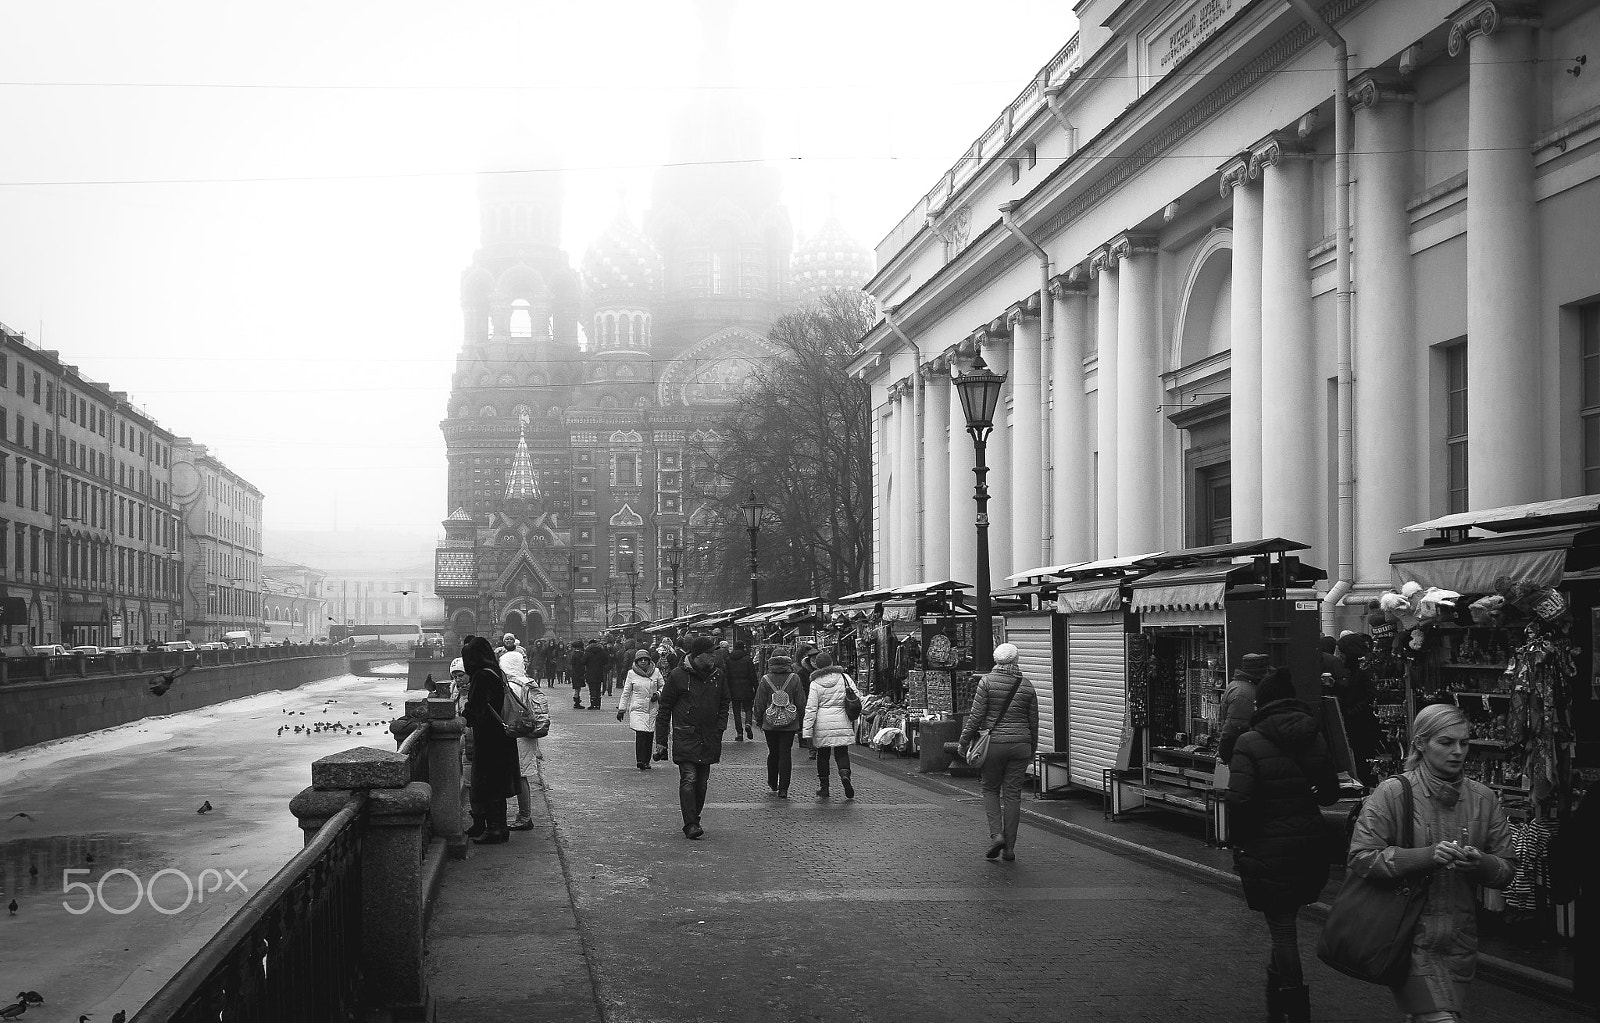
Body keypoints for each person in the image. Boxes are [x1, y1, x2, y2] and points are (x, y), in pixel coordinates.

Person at [1348, 703, 1517, 1023]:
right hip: (1408, 939)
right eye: (1446, 742)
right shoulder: (1393, 792)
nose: (1457, 751)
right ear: (1421, 744)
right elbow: (1361, 857)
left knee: (1431, 1016)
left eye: (1464, 743)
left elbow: (1507, 869)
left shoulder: (1483, 798)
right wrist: (1425, 857)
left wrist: (1479, 863)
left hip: (1459, 942)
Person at [1225, 667, 1342, 1023]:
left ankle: (1294, 1008)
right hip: (1308, 844)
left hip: (1266, 846)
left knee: (1283, 930)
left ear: (1262, 702)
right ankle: (1277, 1006)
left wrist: (1242, 842)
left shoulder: (1250, 741)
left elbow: (1239, 801)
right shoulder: (1314, 735)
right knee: (1286, 919)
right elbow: (1331, 794)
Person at [958, 643, 1038, 861]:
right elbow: (1034, 722)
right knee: (1013, 795)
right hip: (1021, 744)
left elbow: (976, 717)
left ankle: (997, 835)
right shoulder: (1027, 685)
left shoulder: (987, 682)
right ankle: (1010, 848)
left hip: (993, 745)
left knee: (991, 790)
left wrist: (963, 742)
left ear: (996, 661)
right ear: (1016, 660)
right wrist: (1032, 748)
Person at [653, 636, 729, 839]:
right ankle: (691, 823)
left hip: (709, 736)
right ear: (697, 655)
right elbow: (665, 709)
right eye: (709, 653)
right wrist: (661, 741)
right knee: (689, 778)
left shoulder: (718, 675)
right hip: (686, 735)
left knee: (702, 783)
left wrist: (720, 728)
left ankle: (694, 816)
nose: (714, 656)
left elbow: (724, 703)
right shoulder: (678, 676)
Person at [460, 636, 517, 845]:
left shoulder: (481, 676)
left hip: (488, 737)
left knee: (488, 783)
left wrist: (463, 717)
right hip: (503, 735)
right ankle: (501, 828)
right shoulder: (496, 671)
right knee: (499, 784)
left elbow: (475, 708)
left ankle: (493, 830)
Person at [802, 650, 860, 801]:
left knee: (823, 755)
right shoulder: (844, 677)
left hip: (822, 723)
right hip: (842, 720)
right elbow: (856, 696)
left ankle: (824, 787)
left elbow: (811, 708)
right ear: (832, 663)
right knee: (842, 752)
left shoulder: (815, 683)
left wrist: (807, 731)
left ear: (817, 666)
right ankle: (845, 774)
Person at [754, 647, 803, 798]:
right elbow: (801, 701)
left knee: (773, 752)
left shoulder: (765, 679)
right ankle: (784, 788)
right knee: (785, 753)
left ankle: (772, 781)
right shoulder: (794, 678)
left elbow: (759, 702)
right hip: (789, 723)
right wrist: (800, 720)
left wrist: (759, 719)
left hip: (770, 722)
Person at [1218, 652, 1272, 765]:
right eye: (1267, 672)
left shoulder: (1239, 686)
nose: (1268, 675)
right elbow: (1232, 732)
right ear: (1260, 674)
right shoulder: (1243, 693)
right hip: (1245, 757)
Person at [617, 649, 665, 770]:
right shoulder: (631, 674)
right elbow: (626, 692)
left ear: (649, 660)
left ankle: (646, 760)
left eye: (645, 659)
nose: (643, 662)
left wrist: (658, 694)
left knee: (649, 735)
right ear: (636, 661)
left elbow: (664, 686)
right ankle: (640, 760)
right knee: (640, 733)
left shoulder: (656, 672)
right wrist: (622, 709)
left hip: (652, 708)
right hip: (637, 708)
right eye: (640, 660)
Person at [723, 641, 758, 742]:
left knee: (736, 711)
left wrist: (727, 690)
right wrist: (756, 688)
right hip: (747, 688)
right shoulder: (747, 659)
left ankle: (739, 733)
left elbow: (727, 676)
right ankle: (748, 723)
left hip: (734, 689)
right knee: (747, 708)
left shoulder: (729, 660)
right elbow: (753, 675)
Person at [583, 638, 609, 709]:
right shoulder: (601, 652)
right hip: (599, 673)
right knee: (598, 689)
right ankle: (598, 705)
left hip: (590, 673)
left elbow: (583, 662)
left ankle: (593, 704)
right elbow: (606, 661)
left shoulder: (588, 653)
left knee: (592, 689)